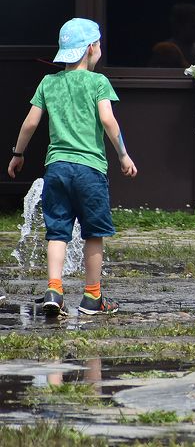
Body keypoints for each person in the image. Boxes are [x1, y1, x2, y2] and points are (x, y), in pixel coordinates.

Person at [8, 18, 138, 317]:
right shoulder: (98, 82)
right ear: (91, 48)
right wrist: (123, 154)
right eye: (100, 44)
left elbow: (30, 122)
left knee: (58, 232)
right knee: (93, 232)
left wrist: (18, 154)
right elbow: (107, 120)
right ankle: (93, 297)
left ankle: (54, 290)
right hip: (89, 169)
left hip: (56, 169)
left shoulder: (48, 82)